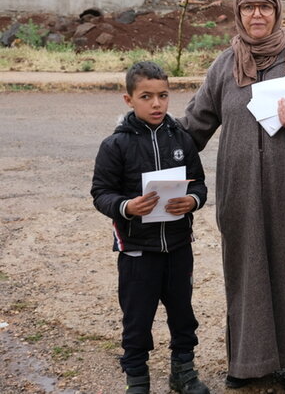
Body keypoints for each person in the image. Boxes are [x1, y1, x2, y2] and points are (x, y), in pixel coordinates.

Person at [179, 0, 285, 391]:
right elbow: (194, 126)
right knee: (246, 272)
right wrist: (147, 140)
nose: (257, 14)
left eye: (265, 6)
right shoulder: (224, 66)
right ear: (238, 13)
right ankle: (250, 361)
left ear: (277, 10)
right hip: (241, 192)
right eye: (248, 7)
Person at [90, 61, 209, 394]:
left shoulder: (181, 139)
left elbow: (199, 183)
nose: (156, 104)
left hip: (178, 246)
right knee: (137, 319)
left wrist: (192, 201)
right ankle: (137, 380)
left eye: (163, 95)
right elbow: (101, 193)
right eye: (146, 97)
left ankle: (183, 372)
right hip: (137, 250)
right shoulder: (115, 145)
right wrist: (126, 207)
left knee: (183, 314)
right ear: (129, 100)